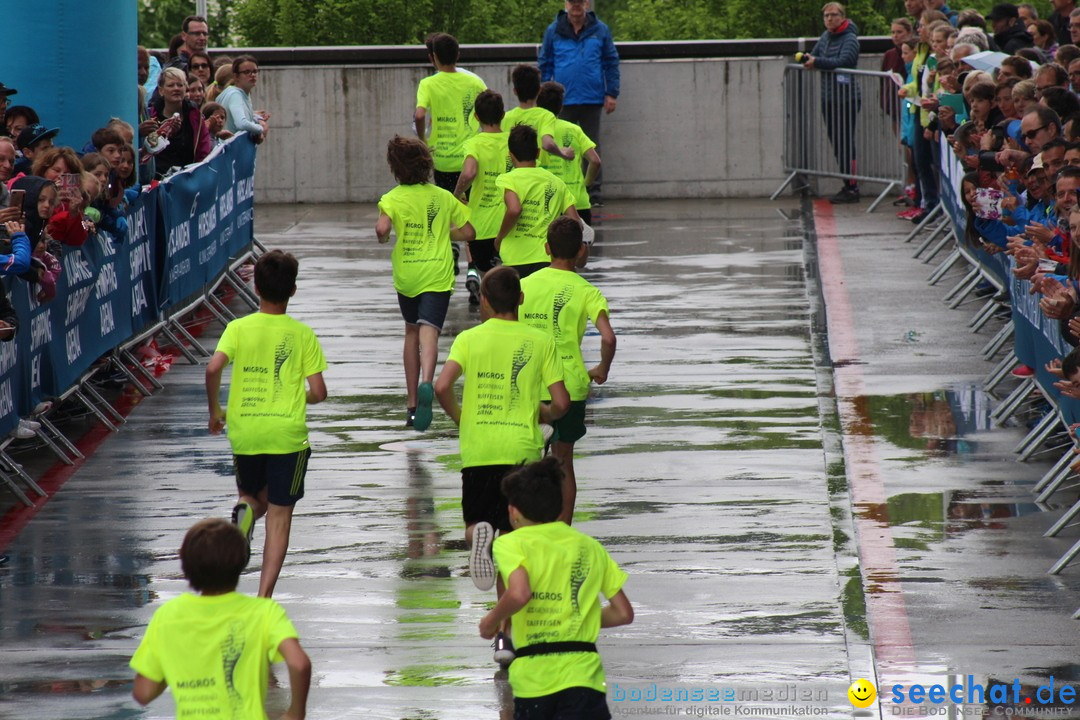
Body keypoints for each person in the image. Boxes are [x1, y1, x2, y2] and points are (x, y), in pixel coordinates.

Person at [434, 266, 570, 603]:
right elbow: (561, 402)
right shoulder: (541, 341)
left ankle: (478, 537)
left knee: (478, 524)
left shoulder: (468, 339)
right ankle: (508, 634)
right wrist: (546, 413)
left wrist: (461, 419)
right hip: (521, 453)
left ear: (484, 300)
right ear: (520, 298)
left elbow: (442, 385)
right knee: (515, 547)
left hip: (480, 450)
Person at [205, 249, 328, 599]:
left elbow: (213, 368)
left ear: (255, 287)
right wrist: (297, 395)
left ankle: (244, 513)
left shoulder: (237, 328)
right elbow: (318, 391)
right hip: (287, 436)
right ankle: (263, 598)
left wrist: (215, 411)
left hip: (246, 430)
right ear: (292, 291)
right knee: (279, 515)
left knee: (251, 496)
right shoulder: (302, 334)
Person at [477, 456, 633, 710]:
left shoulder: (510, 543)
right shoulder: (590, 546)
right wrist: (577, 616)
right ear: (559, 508)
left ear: (513, 512)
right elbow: (623, 613)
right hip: (585, 677)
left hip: (535, 679)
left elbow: (519, 593)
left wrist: (491, 621)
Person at [130, 518, 312, 720]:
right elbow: (299, 663)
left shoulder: (168, 616)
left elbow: (143, 693)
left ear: (186, 567)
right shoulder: (264, 612)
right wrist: (295, 713)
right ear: (241, 562)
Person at [520, 217, 615, 524]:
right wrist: (602, 366)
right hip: (569, 386)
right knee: (564, 463)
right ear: (580, 253)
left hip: (531, 384)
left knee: (525, 460)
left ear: (546, 248)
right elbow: (608, 337)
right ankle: (562, 530)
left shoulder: (523, 286)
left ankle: (524, 524)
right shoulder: (587, 290)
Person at [376, 135, 474, 431]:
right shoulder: (443, 197)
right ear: (427, 164)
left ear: (395, 169)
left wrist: (383, 233)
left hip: (407, 274)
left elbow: (382, 229)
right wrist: (446, 233)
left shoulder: (391, 199)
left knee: (411, 332)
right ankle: (427, 382)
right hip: (437, 274)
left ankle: (411, 405)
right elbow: (469, 232)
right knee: (429, 331)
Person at [539, 0, 619, 206]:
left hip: (592, 98)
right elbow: (545, 63)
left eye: (580, 1)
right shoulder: (553, 30)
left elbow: (610, 61)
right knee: (561, 145)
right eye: (572, 1)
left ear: (587, 4)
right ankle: (563, 189)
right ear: (565, 4)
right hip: (562, 100)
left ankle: (593, 193)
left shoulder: (600, 30)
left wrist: (612, 93)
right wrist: (543, 95)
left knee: (591, 146)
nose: (576, 5)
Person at [495, 124, 580, 279]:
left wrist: (500, 237)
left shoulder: (507, 179)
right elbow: (575, 222)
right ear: (538, 153)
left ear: (510, 155)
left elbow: (514, 209)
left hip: (515, 258)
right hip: (548, 258)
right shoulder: (557, 182)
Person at [454, 89, 510, 306]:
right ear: (503, 114)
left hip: (483, 227)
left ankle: (489, 329)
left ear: (476, 116)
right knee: (510, 283)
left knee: (489, 286)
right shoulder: (511, 141)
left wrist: (457, 194)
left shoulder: (474, 144)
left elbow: (469, 173)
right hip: (509, 224)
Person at [803, 2, 862, 204]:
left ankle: (852, 186)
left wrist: (817, 62)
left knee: (845, 142)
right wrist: (811, 59)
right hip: (828, 98)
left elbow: (844, 60)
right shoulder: (825, 36)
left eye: (833, 15)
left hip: (846, 98)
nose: (829, 19)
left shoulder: (850, 38)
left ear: (842, 17)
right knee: (837, 143)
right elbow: (815, 54)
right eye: (826, 15)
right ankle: (847, 183)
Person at [414, 33, 487, 196]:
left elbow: (419, 115)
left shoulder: (428, 84)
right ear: (458, 55)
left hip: (442, 160)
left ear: (433, 57)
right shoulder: (475, 82)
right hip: (470, 157)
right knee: (469, 209)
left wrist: (423, 141)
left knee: (450, 210)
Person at [535, 81, 601, 227]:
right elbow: (595, 161)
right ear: (561, 106)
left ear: (537, 105)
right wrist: (586, 183)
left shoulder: (535, 130)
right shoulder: (574, 129)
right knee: (580, 247)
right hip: (578, 201)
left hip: (548, 200)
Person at [148, 67, 212, 177]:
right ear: (161, 90)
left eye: (180, 85)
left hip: (189, 179)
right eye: (171, 85)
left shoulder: (196, 117)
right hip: (157, 179)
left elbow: (204, 151)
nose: (176, 88)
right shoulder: (150, 116)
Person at [503, 65, 574, 162]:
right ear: (539, 90)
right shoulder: (546, 116)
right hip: (537, 172)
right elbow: (547, 144)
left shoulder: (505, 118)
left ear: (515, 91)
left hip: (511, 174)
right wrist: (563, 154)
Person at [217, 55, 269, 143]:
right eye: (247, 72)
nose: (252, 75)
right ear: (236, 76)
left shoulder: (242, 93)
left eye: (255, 71)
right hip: (230, 152)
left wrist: (256, 118)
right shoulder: (235, 95)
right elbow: (241, 123)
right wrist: (261, 129)